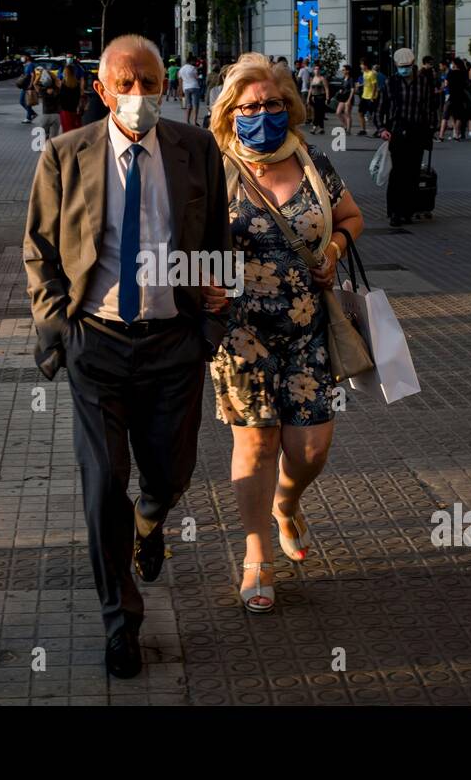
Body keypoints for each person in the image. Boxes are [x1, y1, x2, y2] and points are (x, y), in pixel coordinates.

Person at [24, 34, 230, 679]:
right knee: (103, 485)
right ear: (103, 89)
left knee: (169, 474)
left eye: (151, 83)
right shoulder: (64, 155)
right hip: (99, 344)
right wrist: (61, 324)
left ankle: (152, 517)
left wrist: (212, 320)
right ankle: (121, 620)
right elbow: (39, 250)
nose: (141, 96)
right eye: (128, 84)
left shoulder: (196, 150)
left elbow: (216, 238)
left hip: (174, 343)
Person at [207, 53, 365, 613]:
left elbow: (350, 217)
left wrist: (334, 250)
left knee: (312, 447)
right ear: (231, 111)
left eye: (273, 104)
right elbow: (180, 236)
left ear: (288, 105)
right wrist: (201, 284)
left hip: (307, 326)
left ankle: (286, 504)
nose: (264, 114)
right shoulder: (212, 165)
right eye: (251, 106)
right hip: (238, 331)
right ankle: (256, 556)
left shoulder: (312, 161)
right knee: (256, 442)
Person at [376, 47, 438, 227]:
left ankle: (408, 211)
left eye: (407, 66)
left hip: (417, 132)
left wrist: (431, 129)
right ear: (396, 65)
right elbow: (381, 108)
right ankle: (395, 212)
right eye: (401, 66)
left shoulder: (423, 82)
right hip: (396, 132)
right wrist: (382, 129)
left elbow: (429, 108)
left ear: (413, 64)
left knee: (412, 173)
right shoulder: (391, 82)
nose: (404, 69)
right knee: (397, 173)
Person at [32, 60, 62, 139]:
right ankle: (52, 149)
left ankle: (45, 149)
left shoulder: (42, 91)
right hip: (56, 115)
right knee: (54, 138)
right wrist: (52, 75)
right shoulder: (57, 90)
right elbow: (58, 81)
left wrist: (40, 74)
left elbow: (34, 83)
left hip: (46, 115)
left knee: (44, 135)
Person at [58, 53, 86, 133]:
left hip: (66, 110)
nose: (69, 59)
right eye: (68, 57)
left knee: (67, 128)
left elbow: (82, 79)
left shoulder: (77, 68)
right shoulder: (76, 85)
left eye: (70, 57)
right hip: (74, 108)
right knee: (75, 126)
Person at [443, 59, 469, 141]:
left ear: (455, 64)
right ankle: (457, 134)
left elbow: (446, 84)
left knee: (449, 115)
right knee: (459, 116)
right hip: (461, 96)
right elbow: (466, 84)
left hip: (451, 96)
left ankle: (443, 135)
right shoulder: (463, 73)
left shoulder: (451, 72)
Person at [356, 58, 379, 136]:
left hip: (371, 97)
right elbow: (366, 83)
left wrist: (372, 97)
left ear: (365, 65)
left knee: (374, 114)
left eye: (361, 64)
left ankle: (379, 130)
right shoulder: (364, 73)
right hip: (364, 96)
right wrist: (360, 85)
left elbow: (375, 86)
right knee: (360, 112)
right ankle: (363, 130)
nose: (360, 66)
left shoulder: (371, 74)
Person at [306, 62, 329, 134]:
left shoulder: (322, 78)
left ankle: (314, 128)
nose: (316, 70)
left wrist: (327, 98)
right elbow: (310, 89)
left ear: (320, 70)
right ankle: (322, 128)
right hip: (314, 98)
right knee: (318, 113)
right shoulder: (313, 79)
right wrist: (308, 97)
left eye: (318, 69)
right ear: (313, 70)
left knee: (318, 113)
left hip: (321, 97)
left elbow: (326, 88)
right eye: (315, 69)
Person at [179, 57, 202, 126]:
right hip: (194, 86)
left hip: (186, 88)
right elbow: (197, 77)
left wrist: (180, 89)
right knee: (196, 105)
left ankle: (187, 121)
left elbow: (180, 79)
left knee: (188, 105)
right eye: (194, 61)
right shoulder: (193, 68)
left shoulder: (181, 69)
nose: (195, 63)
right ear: (191, 61)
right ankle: (194, 121)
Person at [16, 54, 37, 123]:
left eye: (23, 56)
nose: (22, 58)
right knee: (23, 101)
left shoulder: (31, 65)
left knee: (27, 102)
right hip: (25, 86)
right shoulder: (26, 65)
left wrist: (31, 85)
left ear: (27, 57)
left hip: (28, 86)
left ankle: (29, 117)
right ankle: (32, 114)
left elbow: (33, 75)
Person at [333, 64, 354, 133]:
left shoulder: (351, 79)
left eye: (344, 70)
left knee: (347, 113)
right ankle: (345, 125)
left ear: (347, 71)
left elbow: (352, 90)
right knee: (338, 112)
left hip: (348, 97)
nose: (342, 71)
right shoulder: (343, 78)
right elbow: (342, 87)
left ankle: (348, 129)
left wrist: (349, 100)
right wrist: (340, 90)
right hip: (342, 97)